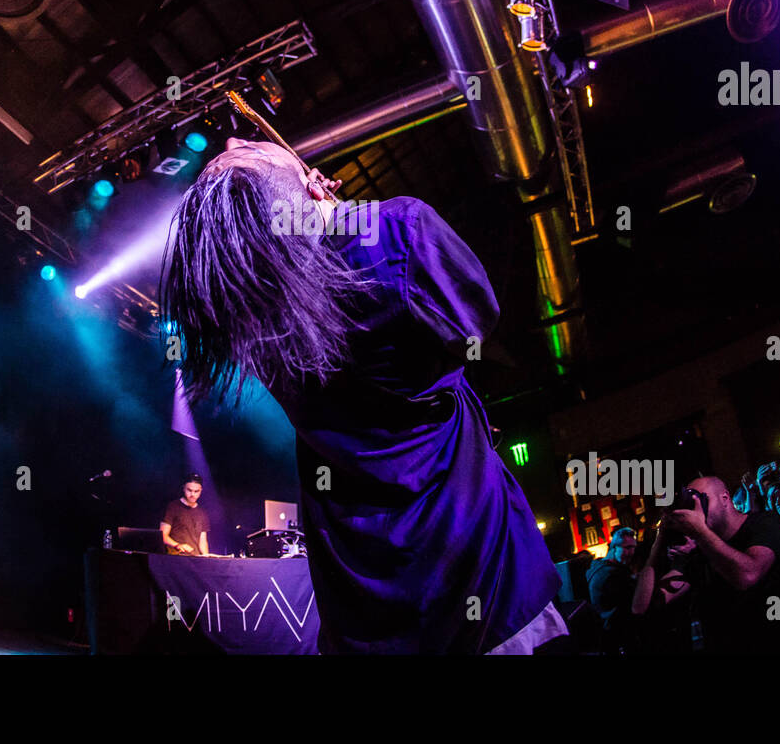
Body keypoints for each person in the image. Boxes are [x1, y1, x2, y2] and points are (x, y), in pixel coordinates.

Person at [160, 137, 562, 653]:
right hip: (477, 571)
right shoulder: (396, 232)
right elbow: (475, 320)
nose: (235, 137)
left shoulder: (256, 329)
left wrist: (322, 218)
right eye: (243, 153)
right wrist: (341, 218)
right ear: (308, 185)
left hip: (364, 599)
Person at [657, 477, 780, 653]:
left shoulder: (765, 523)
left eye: (702, 500)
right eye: (692, 504)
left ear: (725, 498)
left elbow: (748, 575)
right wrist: (659, 541)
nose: (698, 510)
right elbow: (650, 602)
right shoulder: (700, 549)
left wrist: (700, 532)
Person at [586, 526, 638, 653]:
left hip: (609, 637)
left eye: (634, 548)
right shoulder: (613, 575)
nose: (632, 553)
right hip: (618, 638)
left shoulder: (597, 567)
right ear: (614, 547)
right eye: (627, 548)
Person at [160, 474, 211, 557]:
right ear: (183, 488)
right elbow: (162, 535)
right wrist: (177, 545)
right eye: (189, 490)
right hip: (176, 557)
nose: (192, 494)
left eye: (196, 491)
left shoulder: (202, 512)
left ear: (201, 490)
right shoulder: (173, 507)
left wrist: (207, 559)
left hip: (195, 558)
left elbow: (203, 541)